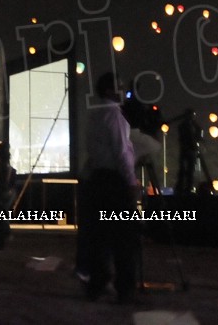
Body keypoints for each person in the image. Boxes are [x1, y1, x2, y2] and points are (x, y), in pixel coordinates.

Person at [81, 73, 140, 305]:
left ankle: (97, 283)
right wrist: (131, 181)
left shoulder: (94, 116)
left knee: (100, 237)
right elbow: (122, 152)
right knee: (124, 238)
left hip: (98, 180)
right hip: (115, 182)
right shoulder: (114, 115)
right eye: (119, 86)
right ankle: (125, 288)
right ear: (108, 90)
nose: (123, 90)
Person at [176, 109, 204, 194]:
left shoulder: (192, 126)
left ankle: (186, 187)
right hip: (188, 150)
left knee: (188, 170)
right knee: (185, 170)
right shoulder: (185, 126)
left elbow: (199, 133)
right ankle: (184, 187)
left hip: (189, 150)